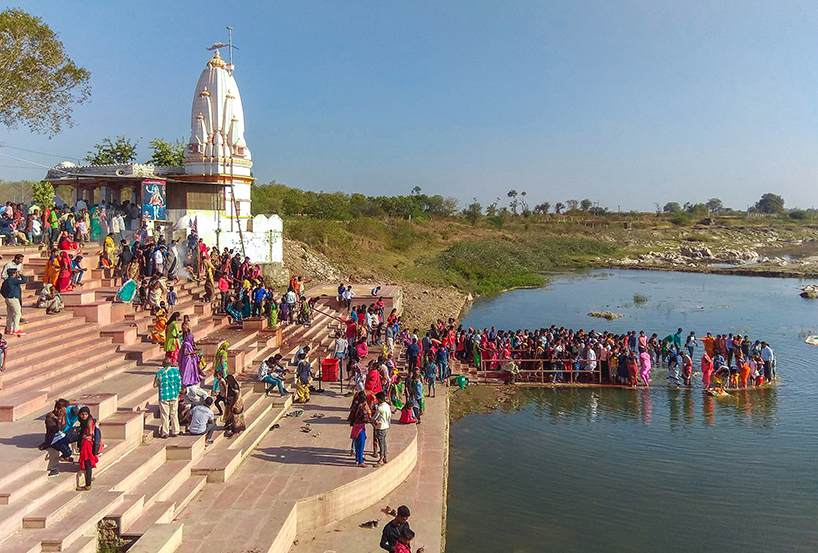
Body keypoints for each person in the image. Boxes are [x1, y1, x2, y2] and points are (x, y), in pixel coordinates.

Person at [154, 359, 182, 438]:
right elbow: (179, 383)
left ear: (163, 364)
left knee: (164, 415)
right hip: (173, 395)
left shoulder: (159, 373)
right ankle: (175, 431)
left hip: (163, 396)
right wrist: (178, 393)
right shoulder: (175, 372)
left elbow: (155, 384)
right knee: (174, 414)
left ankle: (165, 432)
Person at [76, 406, 100, 491]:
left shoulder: (89, 421)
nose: (83, 416)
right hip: (87, 443)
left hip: (87, 444)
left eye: (85, 414)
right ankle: (89, 479)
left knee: (87, 463)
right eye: (82, 414)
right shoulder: (86, 421)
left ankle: (88, 485)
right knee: (88, 462)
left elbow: (90, 431)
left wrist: (87, 436)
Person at [348, 390, 371, 468]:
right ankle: (360, 461)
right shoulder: (362, 409)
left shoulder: (356, 406)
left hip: (355, 426)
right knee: (361, 445)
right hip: (360, 428)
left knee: (357, 444)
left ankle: (357, 458)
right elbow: (365, 419)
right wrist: (373, 421)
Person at [1, 268, 26, 336]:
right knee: (17, 313)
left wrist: (6, 296)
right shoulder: (13, 280)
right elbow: (24, 281)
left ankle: (9, 329)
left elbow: (2, 290)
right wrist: (21, 275)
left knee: (10, 314)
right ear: (13, 273)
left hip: (8, 299)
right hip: (13, 299)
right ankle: (16, 329)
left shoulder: (6, 281)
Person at [373, 391, 390, 465]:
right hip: (386, 425)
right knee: (384, 441)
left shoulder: (380, 408)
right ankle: (385, 456)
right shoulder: (387, 406)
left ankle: (381, 458)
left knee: (381, 443)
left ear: (379, 399)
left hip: (381, 427)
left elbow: (374, 417)